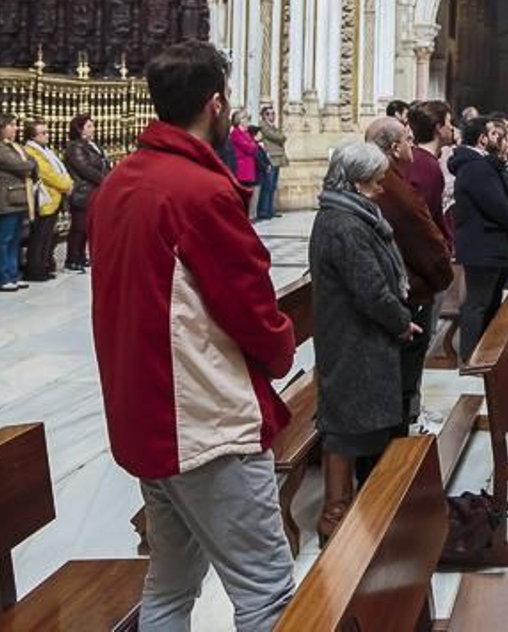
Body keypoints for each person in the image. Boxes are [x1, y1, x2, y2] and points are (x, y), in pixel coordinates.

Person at [90, 40, 297, 631]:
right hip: (204, 422)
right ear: (216, 103)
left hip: (144, 413)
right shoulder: (197, 190)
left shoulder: (119, 182)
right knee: (266, 592)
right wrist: (279, 345)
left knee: (170, 585)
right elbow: (250, 303)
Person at [310, 141, 423, 543]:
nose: (381, 188)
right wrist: (400, 322)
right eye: (375, 181)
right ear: (356, 183)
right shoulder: (344, 225)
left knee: (361, 419)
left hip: (358, 334)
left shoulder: (348, 214)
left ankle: (370, 507)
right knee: (346, 424)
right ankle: (335, 516)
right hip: (353, 337)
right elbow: (370, 288)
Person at [363, 117, 451, 429]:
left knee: (403, 374)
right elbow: (420, 236)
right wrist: (441, 275)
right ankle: (401, 436)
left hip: (404, 289)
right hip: (409, 293)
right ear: (394, 148)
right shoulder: (391, 186)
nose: (412, 146)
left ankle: (404, 423)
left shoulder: (388, 180)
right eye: (408, 140)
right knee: (404, 373)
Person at [449, 117, 508, 362]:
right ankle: (471, 357)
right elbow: (497, 205)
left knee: (488, 300)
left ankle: (485, 353)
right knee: (478, 302)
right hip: (482, 244)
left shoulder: (478, 164)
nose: (497, 138)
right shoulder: (476, 167)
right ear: (482, 139)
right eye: (492, 134)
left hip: (486, 243)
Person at [0, 113, 35, 292]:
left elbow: (32, 161)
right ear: (1, 128)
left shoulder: (14, 147)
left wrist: (29, 163)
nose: (16, 128)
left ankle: (13, 274)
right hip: (6, 199)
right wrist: (28, 164)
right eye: (11, 125)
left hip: (18, 198)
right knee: (4, 239)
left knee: (15, 239)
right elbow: (23, 165)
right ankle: (1, 277)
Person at [23, 119, 73, 283]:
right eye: (43, 133)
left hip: (54, 198)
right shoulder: (31, 151)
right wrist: (66, 185)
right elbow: (47, 174)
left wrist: (67, 182)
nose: (47, 135)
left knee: (48, 237)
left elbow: (59, 170)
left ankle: (44, 266)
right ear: (33, 136)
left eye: (47, 132)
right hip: (45, 199)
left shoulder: (46, 151)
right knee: (39, 237)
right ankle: (35, 269)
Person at [63, 112, 111, 272]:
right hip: (82, 192)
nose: (93, 129)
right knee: (79, 227)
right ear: (80, 129)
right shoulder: (75, 147)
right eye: (89, 126)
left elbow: (104, 164)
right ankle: (72, 258)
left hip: (94, 191)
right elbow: (85, 169)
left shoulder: (93, 145)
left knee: (86, 228)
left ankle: (81, 256)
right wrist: (106, 181)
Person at [406, 100, 453, 246]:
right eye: (449, 123)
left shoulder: (415, 157)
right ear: (438, 128)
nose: (452, 128)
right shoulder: (427, 166)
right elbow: (424, 218)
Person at [255, 106, 288, 220]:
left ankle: (270, 209)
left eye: (273, 114)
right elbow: (278, 137)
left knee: (272, 186)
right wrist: (281, 137)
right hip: (270, 158)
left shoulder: (272, 126)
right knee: (267, 186)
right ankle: (263, 211)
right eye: (268, 114)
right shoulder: (263, 126)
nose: (271, 116)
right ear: (263, 116)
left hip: (276, 158)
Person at [229, 113, 262, 220]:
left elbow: (252, 147)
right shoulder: (236, 133)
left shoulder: (246, 133)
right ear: (240, 121)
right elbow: (249, 148)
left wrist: (253, 144)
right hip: (242, 168)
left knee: (249, 193)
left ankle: (249, 216)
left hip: (249, 167)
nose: (248, 121)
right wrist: (255, 142)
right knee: (243, 194)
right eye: (246, 119)